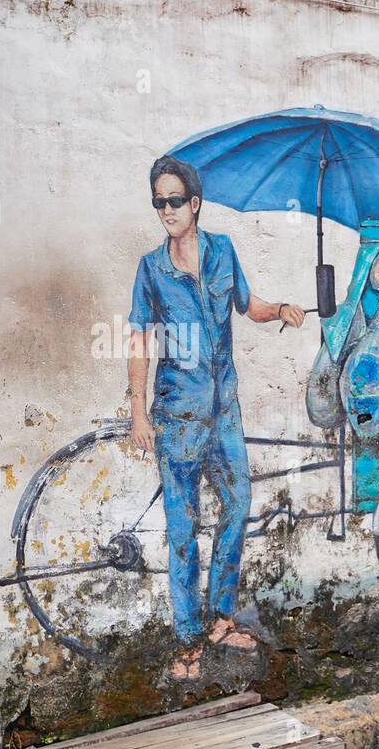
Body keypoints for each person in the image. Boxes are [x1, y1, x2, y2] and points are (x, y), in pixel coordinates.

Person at [126, 156, 306, 681]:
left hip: (223, 408)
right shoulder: (150, 269)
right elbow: (138, 339)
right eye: (158, 201)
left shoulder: (222, 250)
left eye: (174, 201)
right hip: (178, 412)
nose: (166, 211)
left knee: (239, 504)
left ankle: (220, 617)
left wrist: (282, 310)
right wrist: (138, 411)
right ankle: (187, 640)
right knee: (183, 529)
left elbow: (247, 305)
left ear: (195, 204)